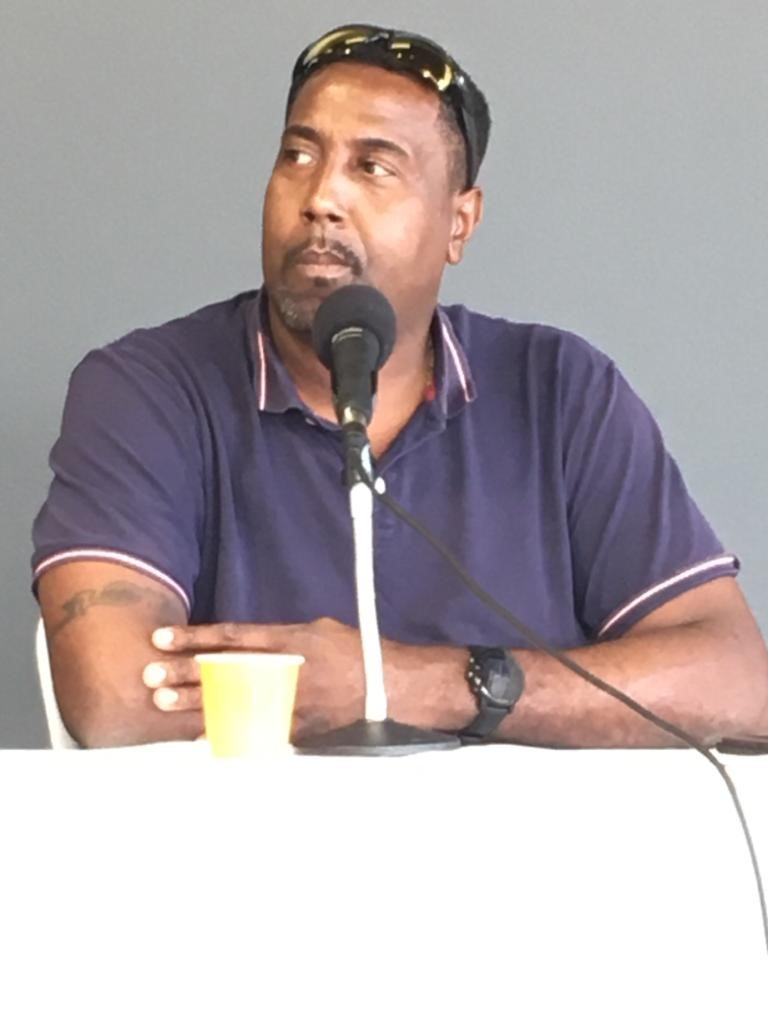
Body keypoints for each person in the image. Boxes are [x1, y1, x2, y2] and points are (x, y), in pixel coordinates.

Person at [32, 24, 768, 749]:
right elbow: (116, 697)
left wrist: (405, 685)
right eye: (298, 155)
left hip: (531, 830)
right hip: (260, 830)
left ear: (459, 223)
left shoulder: (559, 392)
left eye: (374, 167)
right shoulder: (147, 391)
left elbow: (738, 685)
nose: (321, 196)